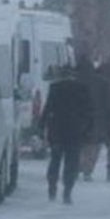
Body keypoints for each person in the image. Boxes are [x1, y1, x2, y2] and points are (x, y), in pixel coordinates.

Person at [39, 65, 93, 204]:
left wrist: (41, 126)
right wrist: (88, 130)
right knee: (71, 163)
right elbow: (89, 112)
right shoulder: (82, 89)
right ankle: (67, 192)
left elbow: (48, 108)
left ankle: (52, 188)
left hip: (57, 129)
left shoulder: (55, 88)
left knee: (55, 160)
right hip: (75, 131)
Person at [77, 55, 110, 182]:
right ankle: (88, 170)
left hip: (78, 118)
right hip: (98, 119)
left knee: (79, 144)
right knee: (93, 147)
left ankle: (77, 166)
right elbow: (109, 103)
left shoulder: (75, 81)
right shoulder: (103, 82)